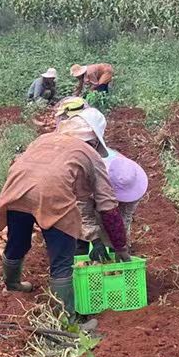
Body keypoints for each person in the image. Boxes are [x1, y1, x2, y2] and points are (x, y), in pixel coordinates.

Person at [0, 109, 128, 328]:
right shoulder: (91, 155)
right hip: (53, 194)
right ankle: (68, 321)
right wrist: (120, 246)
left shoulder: (43, 139)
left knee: (18, 240)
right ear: (94, 140)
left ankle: (12, 283)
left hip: (16, 187)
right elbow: (108, 207)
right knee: (62, 260)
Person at [63, 98, 147, 251]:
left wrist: (120, 244)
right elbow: (83, 207)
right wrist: (95, 240)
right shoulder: (93, 172)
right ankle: (80, 249)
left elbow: (124, 216)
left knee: (111, 222)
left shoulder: (130, 177)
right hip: (83, 190)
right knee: (81, 229)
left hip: (105, 186)